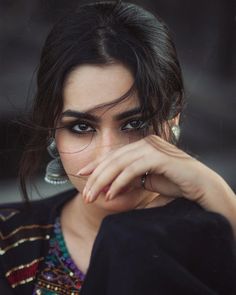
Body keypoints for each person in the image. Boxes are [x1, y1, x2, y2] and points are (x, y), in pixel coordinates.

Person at [0, 1, 235, 294]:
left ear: (173, 116)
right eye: (82, 127)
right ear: (53, 129)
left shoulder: (212, 228)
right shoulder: (8, 239)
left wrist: (214, 192)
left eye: (134, 123)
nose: (109, 154)